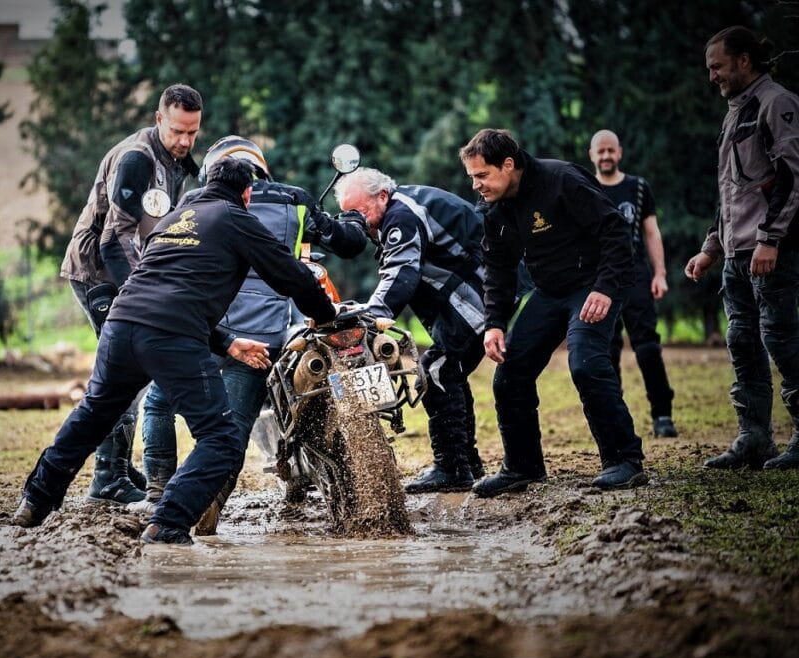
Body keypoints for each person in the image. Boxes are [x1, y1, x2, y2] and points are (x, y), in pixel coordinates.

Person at [13, 157, 338, 544]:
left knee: (93, 415)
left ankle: (35, 499)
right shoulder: (235, 216)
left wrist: (227, 342)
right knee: (221, 439)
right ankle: (167, 522)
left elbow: (165, 288)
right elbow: (291, 275)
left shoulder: (175, 219)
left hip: (120, 326)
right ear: (246, 193)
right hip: (170, 335)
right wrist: (327, 317)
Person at [134, 136, 368, 534]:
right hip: (261, 334)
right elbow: (346, 243)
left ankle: (158, 492)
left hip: (200, 325)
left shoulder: (194, 202)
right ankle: (207, 507)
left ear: (213, 171)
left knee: (158, 403)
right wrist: (356, 220)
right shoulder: (294, 199)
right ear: (258, 169)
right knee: (232, 430)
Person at [460, 128, 647, 496]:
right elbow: (498, 268)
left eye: (482, 175)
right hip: (550, 290)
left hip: (595, 283)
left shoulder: (561, 180)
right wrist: (494, 324)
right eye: (472, 178)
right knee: (510, 373)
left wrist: (605, 288)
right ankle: (522, 467)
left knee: (586, 364)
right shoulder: (494, 208)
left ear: (508, 164)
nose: (476, 186)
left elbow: (615, 229)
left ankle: (624, 461)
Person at [58, 84, 203, 505]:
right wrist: (145, 293)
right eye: (177, 131)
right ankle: (107, 478)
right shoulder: (137, 160)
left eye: (193, 132)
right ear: (159, 119)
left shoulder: (176, 159)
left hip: (130, 269)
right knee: (124, 369)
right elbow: (113, 239)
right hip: (99, 272)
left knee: (132, 372)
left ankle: (117, 467)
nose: (185, 141)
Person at [686, 26, 799, 471]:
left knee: (783, 342)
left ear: (744, 61)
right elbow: (735, 190)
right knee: (743, 344)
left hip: (770, 252)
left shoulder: (777, 103)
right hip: (736, 255)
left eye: (717, 66)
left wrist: (771, 239)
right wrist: (712, 248)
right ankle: (754, 439)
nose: (712, 75)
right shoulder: (736, 112)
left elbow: (792, 176)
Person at [335, 168, 487, 493]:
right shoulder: (402, 206)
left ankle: (452, 468)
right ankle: (467, 463)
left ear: (382, 197)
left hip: (478, 293)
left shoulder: (401, 215)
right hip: (475, 290)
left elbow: (401, 271)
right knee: (449, 371)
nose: (357, 221)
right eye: (349, 214)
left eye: (360, 212)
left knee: (436, 369)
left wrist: (370, 317)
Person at [589, 129, 679, 438]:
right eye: (600, 151)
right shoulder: (585, 188)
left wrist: (660, 273)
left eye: (610, 150)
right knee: (606, 351)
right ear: (592, 156)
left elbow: (652, 231)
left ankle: (662, 414)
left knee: (648, 347)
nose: (606, 156)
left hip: (636, 275)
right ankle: (615, 419)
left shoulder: (638, 188)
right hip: (600, 279)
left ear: (620, 152)